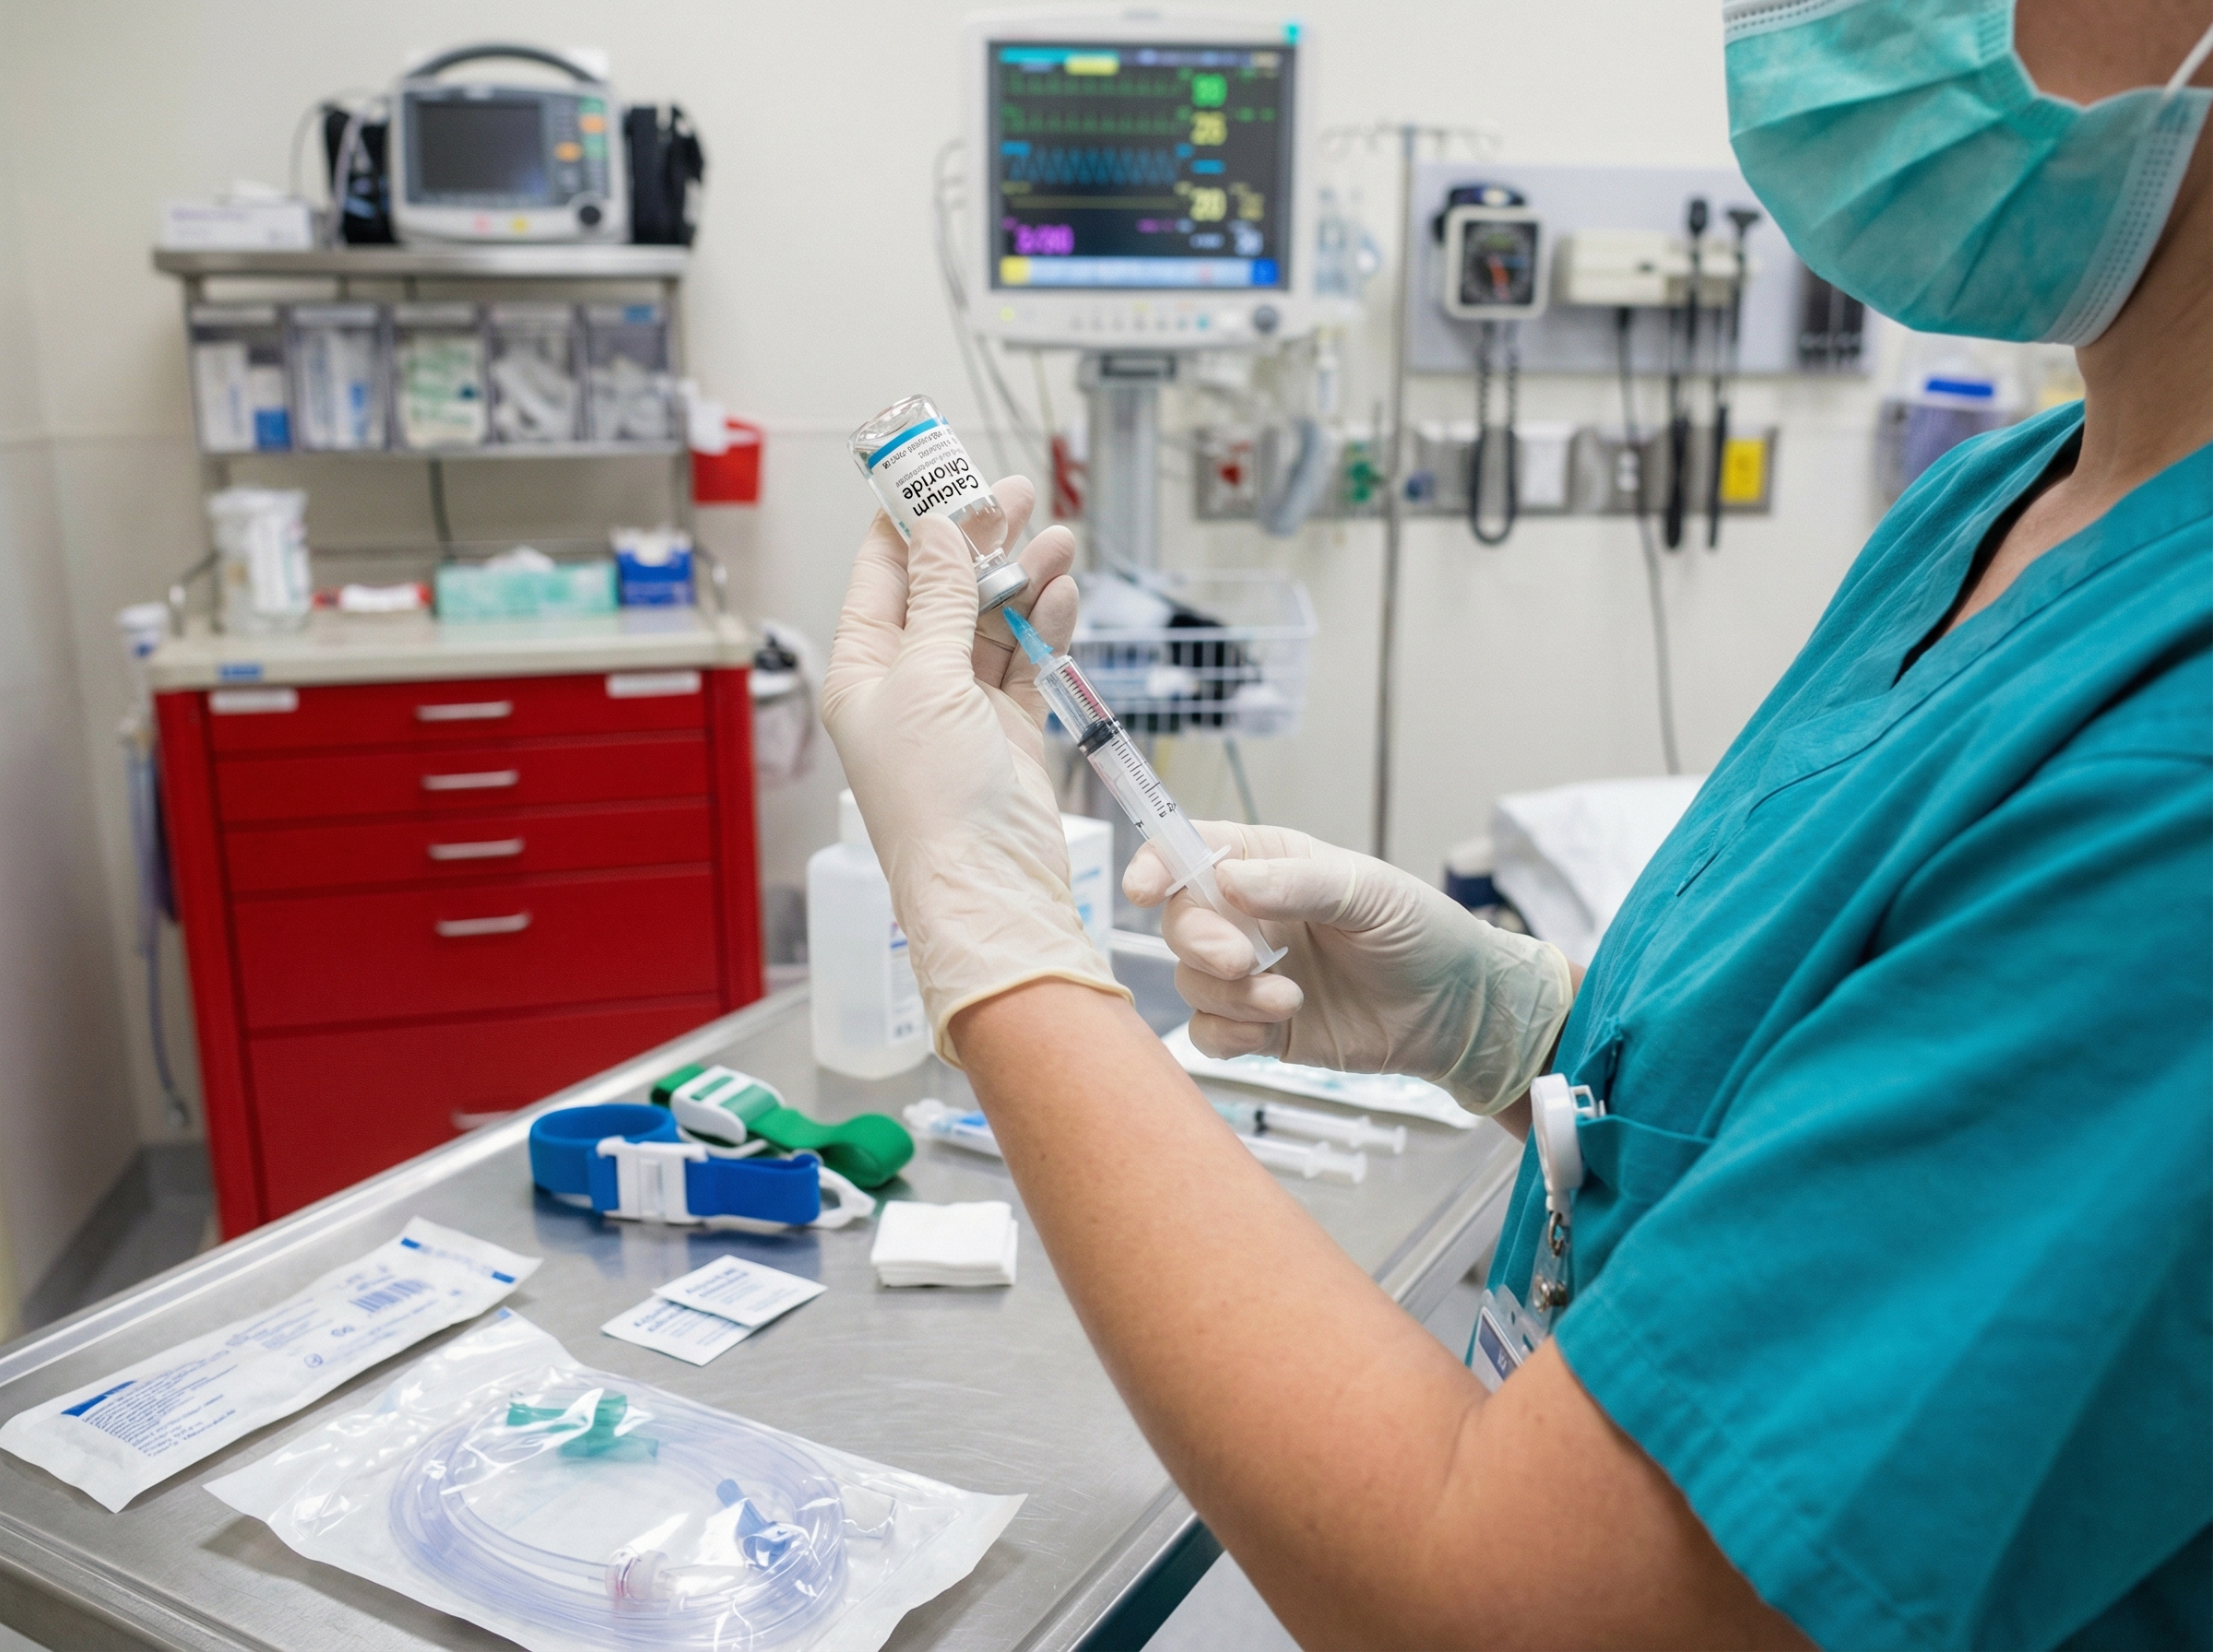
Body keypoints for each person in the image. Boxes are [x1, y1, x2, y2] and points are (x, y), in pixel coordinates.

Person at [822, 1, 2213, 1643]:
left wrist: (992, 938)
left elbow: (1506, 1608)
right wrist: (1508, 1028)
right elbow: (1846, 1110)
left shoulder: (2178, 775)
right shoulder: (2004, 498)